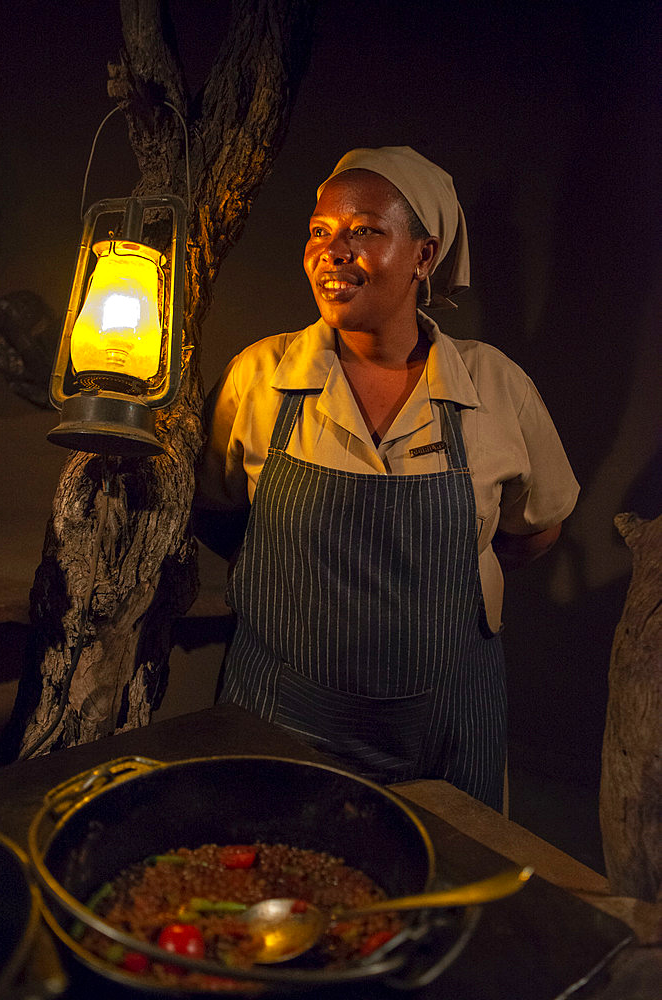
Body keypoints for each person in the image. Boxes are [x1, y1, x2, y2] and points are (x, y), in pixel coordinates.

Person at [193, 146, 579, 811]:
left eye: (364, 230)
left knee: (440, 895)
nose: (332, 250)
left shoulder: (493, 385)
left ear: (423, 257)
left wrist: (429, 587)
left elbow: (533, 530)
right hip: (278, 719)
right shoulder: (261, 376)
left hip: (447, 734)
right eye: (320, 231)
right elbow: (220, 514)